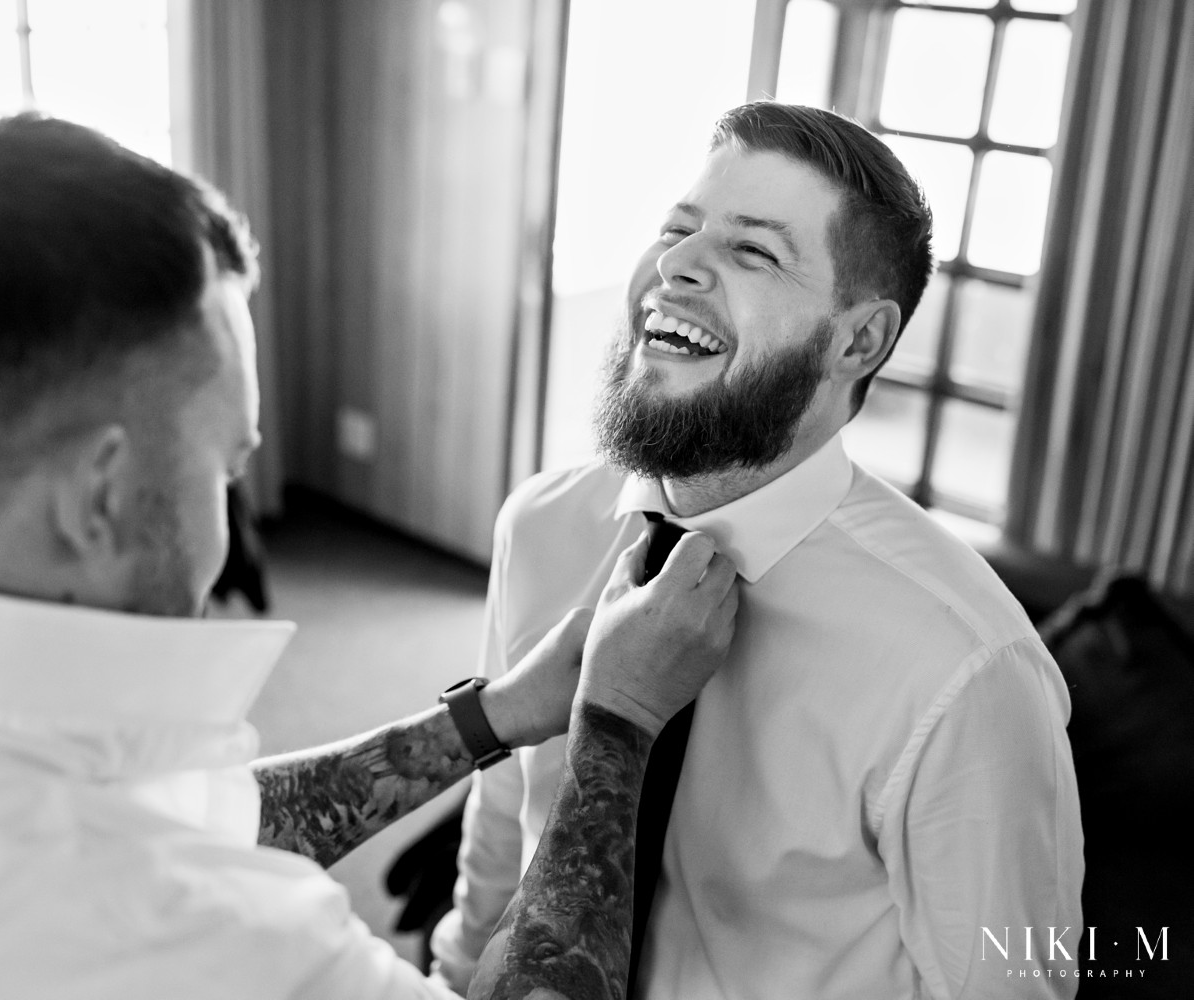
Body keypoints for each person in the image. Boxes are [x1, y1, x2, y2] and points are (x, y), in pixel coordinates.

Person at [0, 115, 740, 999]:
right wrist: (616, 722)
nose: (226, 513)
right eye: (225, 467)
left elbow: (188, 814)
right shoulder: (213, 946)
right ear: (98, 494)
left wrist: (493, 714)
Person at [432, 102, 1084, 1000]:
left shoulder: (966, 665)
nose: (675, 267)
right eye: (678, 228)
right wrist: (456, 970)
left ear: (859, 340)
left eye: (752, 251)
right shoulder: (542, 525)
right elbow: (505, 818)